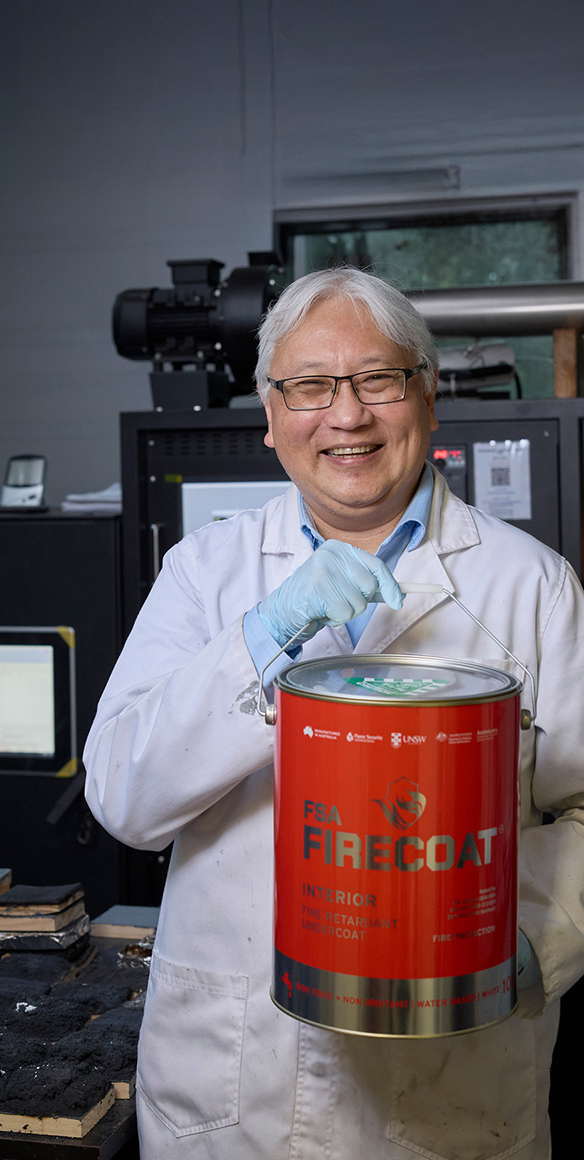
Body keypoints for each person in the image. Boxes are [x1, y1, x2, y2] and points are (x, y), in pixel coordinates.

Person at [83, 267, 584, 1159]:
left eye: (378, 380)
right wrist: (263, 636)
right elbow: (124, 795)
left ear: (426, 394)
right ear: (271, 417)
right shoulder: (207, 573)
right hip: (235, 1085)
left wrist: (515, 936)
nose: (346, 416)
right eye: (309, 386)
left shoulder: (531, 585)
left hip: (451, 1083)